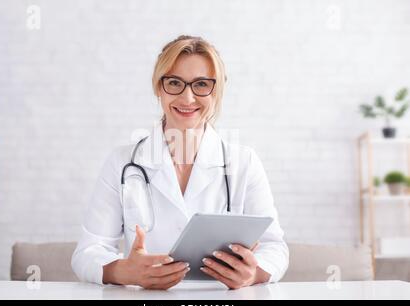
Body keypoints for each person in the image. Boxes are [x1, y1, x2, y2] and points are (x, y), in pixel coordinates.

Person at [72, 35, 289, 290]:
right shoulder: (122, 163)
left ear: (217, 91)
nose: (187, 98)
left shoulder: (244, 163)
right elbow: (88, 252)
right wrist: (124, 271)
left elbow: (275, 248)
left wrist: (254, 274)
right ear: (158, 88)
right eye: (174, 82)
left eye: (201, 84)